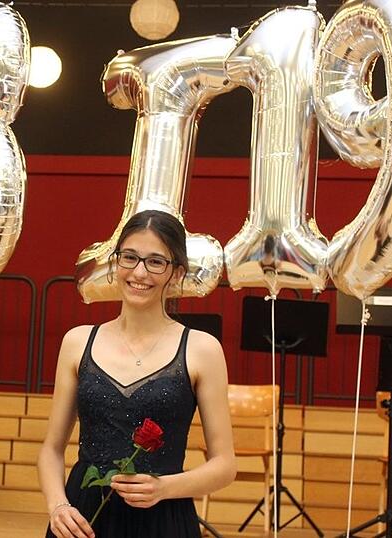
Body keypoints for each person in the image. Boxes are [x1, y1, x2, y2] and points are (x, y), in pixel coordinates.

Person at [38, 210, 236, 538]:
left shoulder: (202, 349)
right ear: (115, 262)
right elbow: (51, 449)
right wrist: (58, 506)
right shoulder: (77, 342)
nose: (139, 272)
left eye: (156, 261)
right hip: (83, 520)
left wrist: (164, 487)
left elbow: (225, 465)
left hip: (164, 520)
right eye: (129, 257)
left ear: (176, 273)